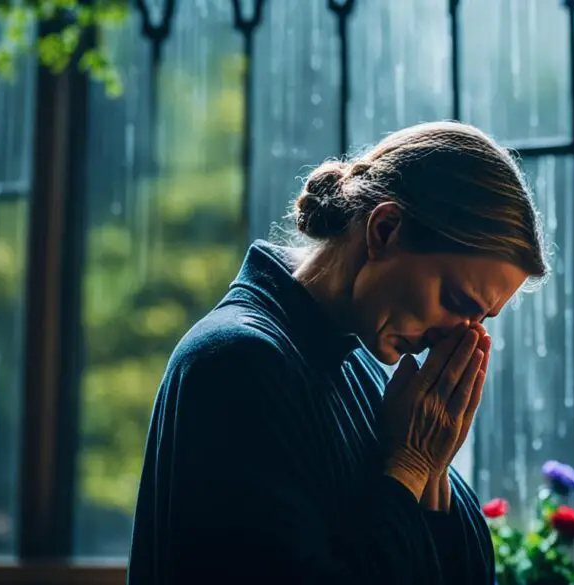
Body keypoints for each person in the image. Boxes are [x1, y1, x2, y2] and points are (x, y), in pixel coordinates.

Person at [127, 121, 549, 584]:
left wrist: (432, 467)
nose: (459, 339)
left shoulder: (368, 369)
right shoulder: (233, 364)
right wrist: (408, 466)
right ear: (385, 230)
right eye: (455, 301)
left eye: (480, 321)